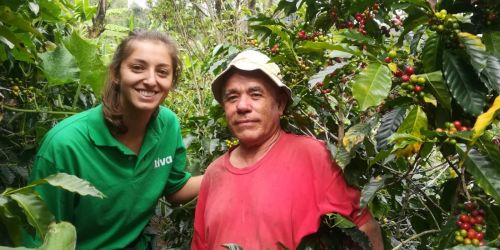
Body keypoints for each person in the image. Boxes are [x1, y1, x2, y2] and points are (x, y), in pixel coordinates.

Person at [25, 30, 202, 250]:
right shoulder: (65, 145)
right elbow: (41, 236)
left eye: (162, 72)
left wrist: (231, 168)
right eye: (137, 68)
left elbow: (175, 189)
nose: (150, 80)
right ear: (116, 74)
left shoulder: (168, 125)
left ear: (172, 81)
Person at [191, 50, 383, 249]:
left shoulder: (313, 156)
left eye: (256, 94)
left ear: (280, 103)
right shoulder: (213, 174)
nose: (242, 106)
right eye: (232, 97)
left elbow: (365, 227)